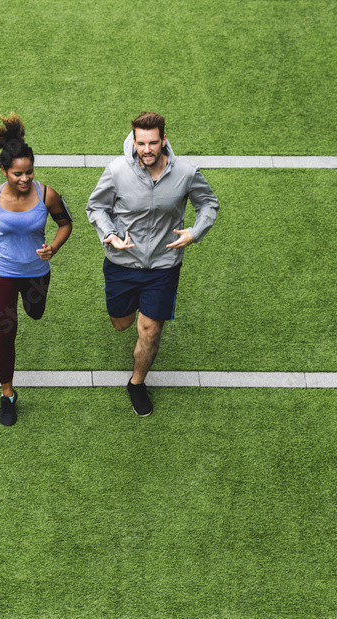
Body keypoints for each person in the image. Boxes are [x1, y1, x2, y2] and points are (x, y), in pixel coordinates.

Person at [86, 111, 219, 416]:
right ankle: (128, 312)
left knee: (150, 331)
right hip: (122, 262)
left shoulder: (186, 173)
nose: (146, 149)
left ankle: (136, 383)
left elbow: (208, 203)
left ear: (164, 140)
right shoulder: (117, 171)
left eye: (153, 143)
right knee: (122, 324)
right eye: (141, 142)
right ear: (134, 140)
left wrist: (195, 232)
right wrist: (109, 234)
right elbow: (96, 207)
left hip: (163, 266)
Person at [0, 114, 72, 426]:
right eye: (17, 174)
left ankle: (32, 303)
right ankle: (7, 394)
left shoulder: (46, 195)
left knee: (35, 312)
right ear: (4, 171)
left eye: (29, 172)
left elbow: (65, 224)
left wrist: (54, 246)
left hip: (37, 272)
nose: (24, 179)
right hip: (0, 271)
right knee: (5, 331)